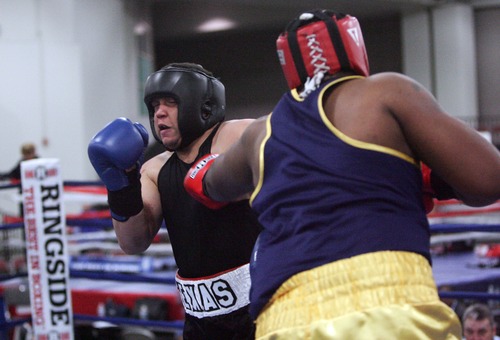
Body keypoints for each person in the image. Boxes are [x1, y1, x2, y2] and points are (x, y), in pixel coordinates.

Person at [183, 9, 500, 339]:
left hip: (283, 320)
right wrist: (422, 176)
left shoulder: (260, 134)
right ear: (354, 45)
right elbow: (488, 179)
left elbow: (204, 184)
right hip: (387, 303)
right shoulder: (386, 92)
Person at [88, 62, 262, 339]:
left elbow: (279, 139)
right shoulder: (155, 170)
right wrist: (121, 186)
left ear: (201, 104)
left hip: (261, 310)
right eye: (154, 104)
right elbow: (132, 242)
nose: (159, 112)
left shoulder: (236, 135)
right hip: (200, 320)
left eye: (171, 102)